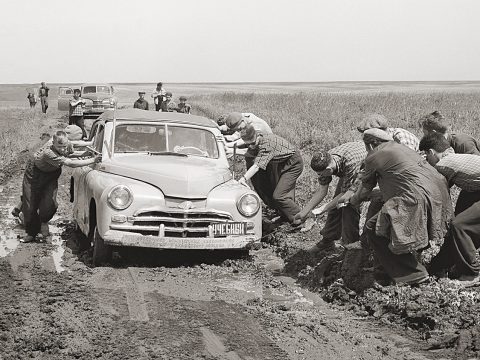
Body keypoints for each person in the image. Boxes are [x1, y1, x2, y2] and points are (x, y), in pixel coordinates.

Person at [347, 128, 452, 285]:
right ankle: (389, 268)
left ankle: (412, 273)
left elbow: (364, 191)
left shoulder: (373, 156)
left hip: (415, 195)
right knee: (394, 226)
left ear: (369, 145)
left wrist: (352, 201)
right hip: (439, 192)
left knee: (374, 229)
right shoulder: (402, 148)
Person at [419, 133, 480, 281]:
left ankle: (471, 274)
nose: (427, 161)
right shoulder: (455, 159)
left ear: (431, 153)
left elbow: (433, 191)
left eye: (427, 157)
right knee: (458, 227)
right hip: (476, 190)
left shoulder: (443, 164)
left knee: (460, 226)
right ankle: (441, 265)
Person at [21, 130, 101, 243]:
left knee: (50, 202)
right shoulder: (48, 153)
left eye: (64, 146)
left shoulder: (64, 143)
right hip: (34, 173)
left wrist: (88, 144)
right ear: (52, 143)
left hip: (51, 174)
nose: (62, 149)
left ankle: (44, 221)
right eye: (59, 147)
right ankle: (31, 233)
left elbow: (73, 144)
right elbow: (71, 163)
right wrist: (92, 159)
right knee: (30, 204)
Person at [293, 142, 367, 246]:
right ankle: (328, 241)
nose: (319, 176)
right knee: (335, 206)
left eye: (320, 174)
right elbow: (322, 190)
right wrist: (304, 212)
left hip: (367, 166)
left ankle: (351, 246)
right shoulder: (325, 161)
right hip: (349, 169)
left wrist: (319, 210)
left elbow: (346, 194)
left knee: (349, 206)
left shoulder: (349, 163)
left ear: (328, 170)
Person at [239, 125, 303, 224]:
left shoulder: (266, 145)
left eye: (252, 143)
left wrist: (243, 178)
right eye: (248, 145)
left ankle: (304, 217)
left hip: (293, 164)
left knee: (279, 195)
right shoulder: (259, 136)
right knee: (276, 190)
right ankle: (285, 216)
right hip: (281, 163)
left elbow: (256, 166)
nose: (251, 147)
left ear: (256, 136)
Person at [223, 112, 274, 207]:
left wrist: (229, 146)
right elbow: (238, 134)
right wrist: (228, 139)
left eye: (238, 128)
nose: (239, 130)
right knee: (256, 181)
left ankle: (274, 207)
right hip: (255, 149)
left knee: (265, 181)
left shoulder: (256, 125)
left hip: (266, 153)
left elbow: (247, 141)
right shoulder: (242, 120)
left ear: (242, 121)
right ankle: (269, 205)